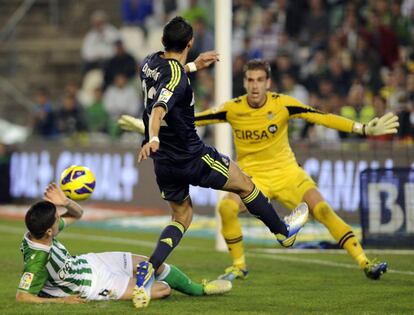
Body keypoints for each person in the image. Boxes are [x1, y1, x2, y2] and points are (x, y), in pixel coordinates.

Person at [119, 59, 399, 282]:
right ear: (244, 82)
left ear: (268, 83)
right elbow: (194, 119)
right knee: (226, 209)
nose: (254, 86)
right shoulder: (233, 109)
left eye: (260, 80)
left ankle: (365, 262)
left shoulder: (283, 104)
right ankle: (239, 265)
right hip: (254, 178)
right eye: (250, 80)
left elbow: (322, 116)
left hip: (289, 173)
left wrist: (361, 128)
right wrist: (147, 127)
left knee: (323, 210)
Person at [131, 17, 309, 308]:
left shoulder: (149, 62)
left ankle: (149, 270)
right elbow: (160, 107)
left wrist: (195, 66)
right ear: (190, 43)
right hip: (191, 156)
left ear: (164, 42)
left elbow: (168, 79)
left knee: (181, 217)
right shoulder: (176, 77)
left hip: (164, 162)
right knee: (244, 184)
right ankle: (283, 232)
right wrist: (153, 137)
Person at [16, 183, 232, 306]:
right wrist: (61, 302)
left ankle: (199, 289)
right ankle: (138, 287)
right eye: (57, 217)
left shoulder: (41, 231)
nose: (59, 218)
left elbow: (77, 214)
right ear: (49, 231)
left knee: (151, 265)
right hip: (93, 286)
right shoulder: (37, 259)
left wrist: (65, 203)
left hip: (91, 262)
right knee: (163, 289)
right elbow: (22, 296)